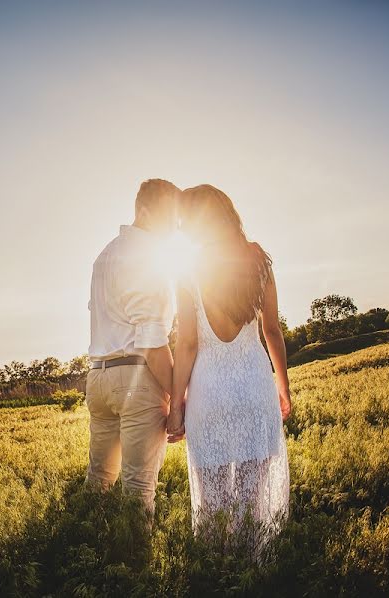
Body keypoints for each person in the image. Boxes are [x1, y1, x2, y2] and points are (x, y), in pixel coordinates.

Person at [167, 184, 291, 557]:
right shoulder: (257, 260)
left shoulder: (188, 272)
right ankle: (252, 571)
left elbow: (187, 344)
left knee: (214, 497)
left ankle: (217, 570)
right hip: (255, 387)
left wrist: (176, 407)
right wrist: (283, 387)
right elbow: (272, 331)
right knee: (253, 496)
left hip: (211, 395)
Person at [85, 178, 181, 513]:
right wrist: (177, 398)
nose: (174, 227)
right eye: (169, 217)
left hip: (98, 378)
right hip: (135, 379)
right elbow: (152, 343)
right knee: (139, 486)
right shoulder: (147, 256)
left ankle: (88, 550)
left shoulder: (105, 253)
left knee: (99, 477)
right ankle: (136, 561)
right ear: (143, 210)